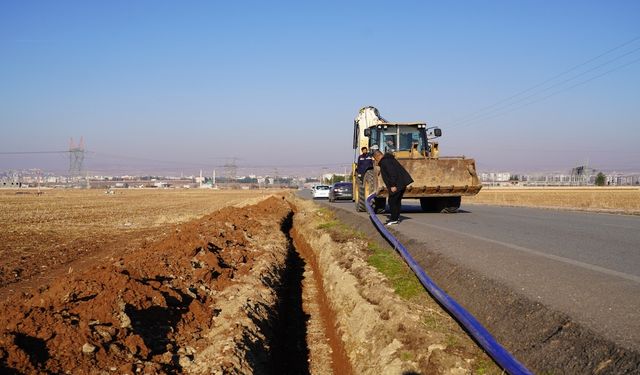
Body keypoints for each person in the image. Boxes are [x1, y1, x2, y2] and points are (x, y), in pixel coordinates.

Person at [372, 150, 414, 226]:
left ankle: (394, 219)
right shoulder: (389, 159)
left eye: (375, 159)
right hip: (401, 183)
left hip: (396, 184)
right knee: (396, 201)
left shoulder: (385, 162)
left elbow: (392, 173)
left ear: (377, 156)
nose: (376, 161)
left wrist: (393, 185)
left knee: (392, 201)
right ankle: (396, 218)